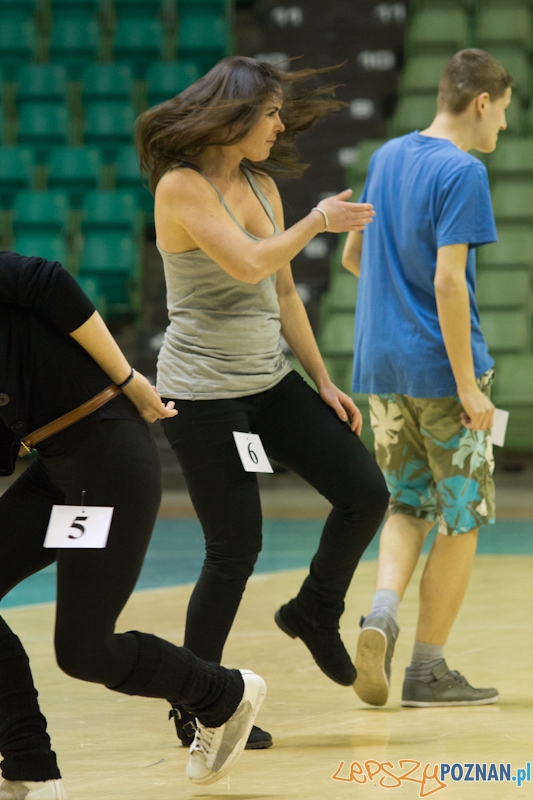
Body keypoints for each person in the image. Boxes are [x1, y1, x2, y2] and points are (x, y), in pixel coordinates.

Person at [135, 55, 390, 749]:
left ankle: (313, 610)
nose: (279, 127)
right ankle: (199, 706)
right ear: (237, 115)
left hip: (269, 381)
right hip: (203, 394)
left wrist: (323, 381)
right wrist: (317, 221)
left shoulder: (258, 181)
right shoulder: (180, 187)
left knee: (365, 490)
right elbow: (248, 261)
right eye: (270, 114)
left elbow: (278, 291)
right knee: (234, 547)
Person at [0, 250, 266, 799]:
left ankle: (223, 695)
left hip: (105, 452)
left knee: (83, 650)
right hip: (59, 465)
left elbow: (49, 280)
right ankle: (30, 770)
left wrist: (126, 376)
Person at [342, 49, 512, 709]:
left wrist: (395, 310)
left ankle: (380, 615)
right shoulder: (462, 170)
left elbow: (356, 255)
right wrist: (468, 386)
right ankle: (427, 670)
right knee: (461, 517)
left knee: (406, 504)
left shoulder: (386, 156)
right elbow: (446, 280)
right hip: (443, 370)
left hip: (379, 366)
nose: (501, 126)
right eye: (501, 112)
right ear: (479, 103)